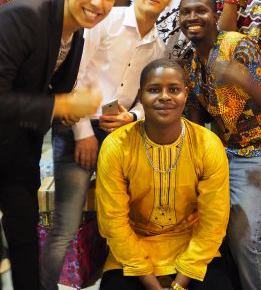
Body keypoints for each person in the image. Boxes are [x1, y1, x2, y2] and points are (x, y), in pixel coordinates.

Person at [0, 0, 127, 290]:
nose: (98, 2)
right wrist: (60, 105)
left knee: (26, 240)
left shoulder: (77, 33)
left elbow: (46, 89)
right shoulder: (22, 17)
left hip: (18, 148)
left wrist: (76, 111)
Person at [39, 0, 176, 290]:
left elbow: (148, 97)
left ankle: (115, 274)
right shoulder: (105, 21)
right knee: (67, 222)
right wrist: (84, 134)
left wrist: (133, 117)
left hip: (120, 134)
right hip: (77, 127)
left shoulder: (158, 45)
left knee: (121, 215)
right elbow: (73, 78)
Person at [179, 0, 261, 290]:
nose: (192, 17)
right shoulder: (190, 62)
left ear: (215, 16)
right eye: (185, 12)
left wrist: (242, 80)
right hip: (224, 151)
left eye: (200, 10)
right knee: (211, 224)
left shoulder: (237, 45)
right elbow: (197, 119)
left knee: (244, 235)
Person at [96, 58, 232, 290]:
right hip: (134, 245)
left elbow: (214, 221)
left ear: (186, 94)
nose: (165, 97)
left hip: (192, 244)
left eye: (174, 89)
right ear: (141, 96)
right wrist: (151, 283)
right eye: (154, 90)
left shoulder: (207, 144)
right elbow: (113, 223)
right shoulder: (117, 146)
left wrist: (180, 283)